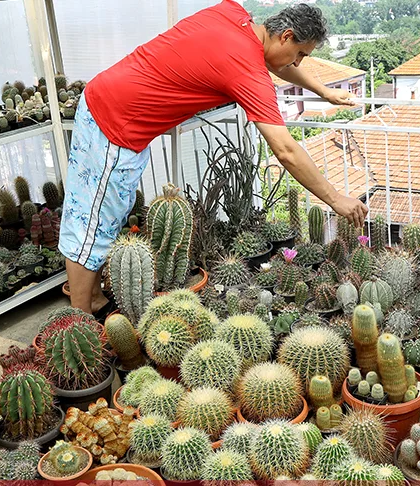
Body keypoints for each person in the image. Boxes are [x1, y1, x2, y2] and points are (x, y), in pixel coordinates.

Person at [59, 1, 368, 315]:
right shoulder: (245, 68)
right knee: (92, 224)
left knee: (106, 216)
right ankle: (81, 319)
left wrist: (323, 92)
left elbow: (275, 63)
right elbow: (286, 150)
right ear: (285, 36)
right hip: (113, 121)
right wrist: (335, 199)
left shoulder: (232, 14)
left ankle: (93, 296)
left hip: (115, 108)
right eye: (301, 54)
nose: (299, 63)